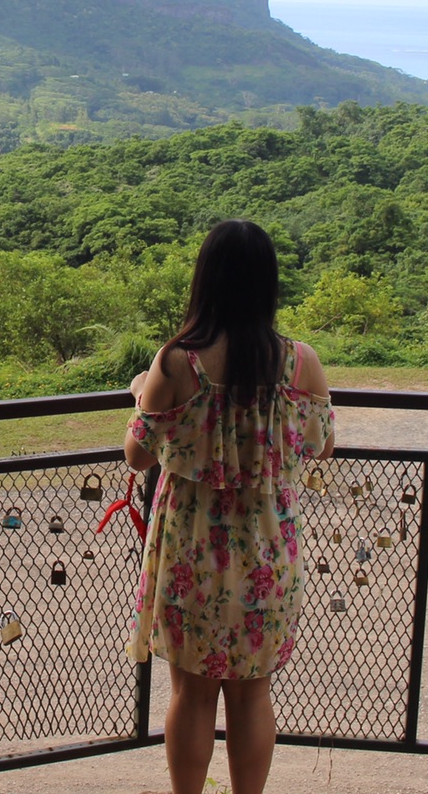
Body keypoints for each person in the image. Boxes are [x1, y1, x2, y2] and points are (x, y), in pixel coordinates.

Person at [123, 219, 335, 794]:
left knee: (191, 693)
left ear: (205, 281)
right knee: (252, 692)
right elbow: (321, 444)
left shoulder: (177, 363)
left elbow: (137, 456)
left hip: (191, 551)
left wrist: (144, 388)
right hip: (269, 551)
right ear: (267, 283)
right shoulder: (300, 362)